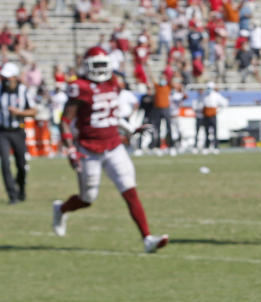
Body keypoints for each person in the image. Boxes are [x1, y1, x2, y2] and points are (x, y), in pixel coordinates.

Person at [52, 46, 168, 253]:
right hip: (88, 149)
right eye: (94, 65)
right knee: (87, 199)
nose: (99, 70)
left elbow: (111, 116)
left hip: (114, 146)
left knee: (130, 190)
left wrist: (131, 129)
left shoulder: (112, 83)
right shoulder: (79, 87)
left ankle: (147, 238)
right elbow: (65, 121)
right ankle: (61, 209)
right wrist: (70, 149)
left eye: (102, 65)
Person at [0, 62, 34, 204]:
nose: (6, 80)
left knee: (21, 164)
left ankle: (21, 188)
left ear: (15, 77)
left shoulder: (23, 91)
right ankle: (12, 195)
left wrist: (19, 112)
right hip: (2, 132)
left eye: (8, 77)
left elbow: (33, 111)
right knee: (5, 164)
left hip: (18, 131)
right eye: (4, 77)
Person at [196, 81, 228, 152]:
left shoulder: (216, 95)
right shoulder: (204, 95)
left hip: (213, 115)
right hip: (205, 115)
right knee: (206, 131)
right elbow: (200, 104)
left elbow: (224, 103)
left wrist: (218, 111)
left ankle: (216, 147)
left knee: (215, 132)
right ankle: (207, 147)